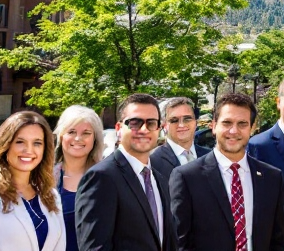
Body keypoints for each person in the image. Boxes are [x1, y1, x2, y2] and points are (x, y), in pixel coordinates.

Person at [169, 92, 284, 251]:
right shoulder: (187, 178)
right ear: (214, 126)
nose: (234, 131)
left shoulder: (272, 178)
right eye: (227, 123)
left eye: (242, 124)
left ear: (252, 128)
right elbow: (180, 243)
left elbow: (278, 240)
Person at [76, 92, 178, 251]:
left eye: (151, 123)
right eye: (135, 123)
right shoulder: (102, 178)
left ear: (159, 128)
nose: (144, 129)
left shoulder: (160, 179)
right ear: (119, 128)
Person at [0, 110, 65, 251]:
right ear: (6, 145)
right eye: (20, 142)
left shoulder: (51, 195)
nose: (28, 150)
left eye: (37, 143)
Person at [54, 105, 105, 251]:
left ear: (95, 138)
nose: (78, 138)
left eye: (86, 133)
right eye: (71, 131)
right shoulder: (43, 178)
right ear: (61, 135)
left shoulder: (108, 177)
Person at [150, 97, 210, 177]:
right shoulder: (153, 161)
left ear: (195, 122)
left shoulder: (210, 156)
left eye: (187, 119)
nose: (181, 125)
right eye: (174, 120)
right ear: (164, 125)